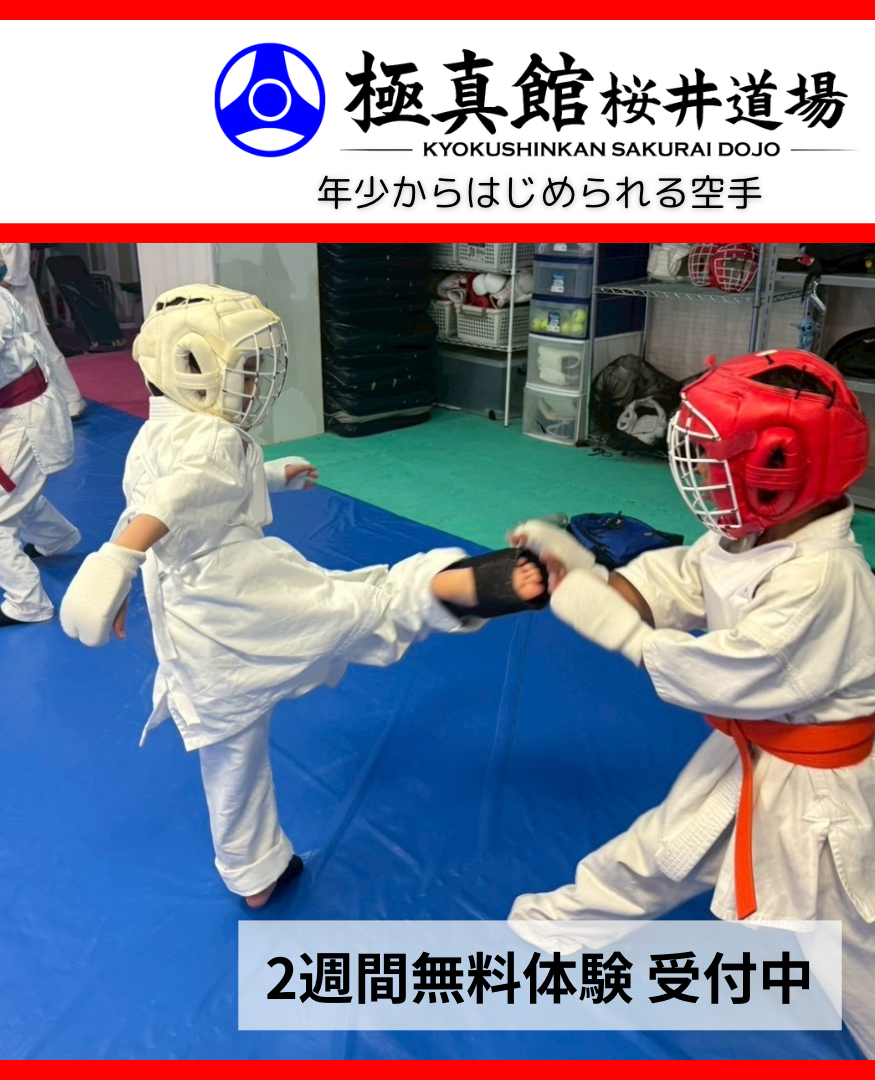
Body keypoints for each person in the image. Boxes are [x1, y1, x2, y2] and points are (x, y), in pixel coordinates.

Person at [508, 349, 875, 1059]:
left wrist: (614, 627)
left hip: (819, 790)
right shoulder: (755, 533)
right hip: (754, 751)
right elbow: (682, 579)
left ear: (779, 471)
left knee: (840, 940)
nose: (703, 472)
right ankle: (556, 930)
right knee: (665, 848)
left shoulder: (821, 579)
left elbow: (728, 671)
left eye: (717, 458)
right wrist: (588, 578)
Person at [59, 284, 546, 909]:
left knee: (231, 750)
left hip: (188, 622)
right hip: (240, 594)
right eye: (246, 368)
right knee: (357, 608)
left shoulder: (156, 433)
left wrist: (263, 480)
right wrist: (119, 557)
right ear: (192, 368)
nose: (255, 382)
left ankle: (252, 872)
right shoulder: (212, 440)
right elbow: (175, 498)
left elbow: (167, 498)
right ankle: (451, 585)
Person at [0, 287, 81, 628]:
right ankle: (56, 538)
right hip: (19, 408)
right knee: (18, 491)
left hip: (24, 415)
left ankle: (27, 603)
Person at [0, 243, 88, 419]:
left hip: (18, 295)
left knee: (43, 346)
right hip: (5, 297)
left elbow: (17, 273)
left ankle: (72, 398)